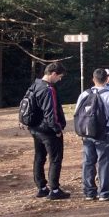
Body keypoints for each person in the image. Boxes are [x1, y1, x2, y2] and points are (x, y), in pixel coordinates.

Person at [75, 68, 109, 201]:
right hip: (105, 133)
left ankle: (89, 192)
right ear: (107, 79)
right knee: (105, 162)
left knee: (88, 161)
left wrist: (81, 131)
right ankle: (104, 192)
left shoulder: (84, 94)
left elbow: (77, 114)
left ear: (93, 79)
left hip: (87, 133)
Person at [26, 62, 69, 200]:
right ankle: (54, 190)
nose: (60, 80)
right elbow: (51, 113)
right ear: (53, 74)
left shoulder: (35, 84)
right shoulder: (48, 89)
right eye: (60, 76)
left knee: (39, 157)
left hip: (35, 128)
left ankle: (42, 187)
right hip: (48, 131)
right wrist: (57, 129)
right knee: (55, 159)